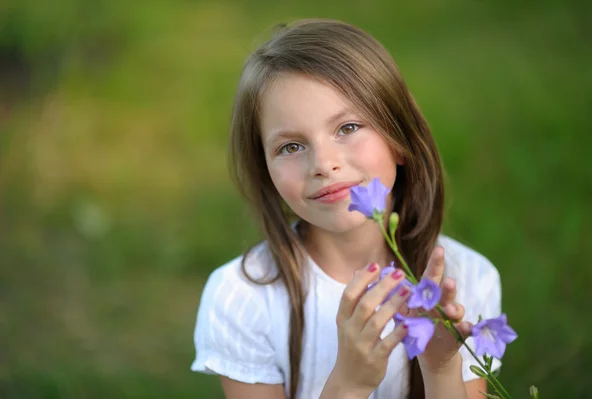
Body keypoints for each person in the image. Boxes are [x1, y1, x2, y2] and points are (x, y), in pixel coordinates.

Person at [191, 19, 502, 399]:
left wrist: (440, 367)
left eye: (348, 127)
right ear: (266, 170)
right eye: (290, 146)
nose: (323, 163)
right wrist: (349, 385)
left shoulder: (467, 278)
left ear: (400, 140)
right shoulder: (241, 299)